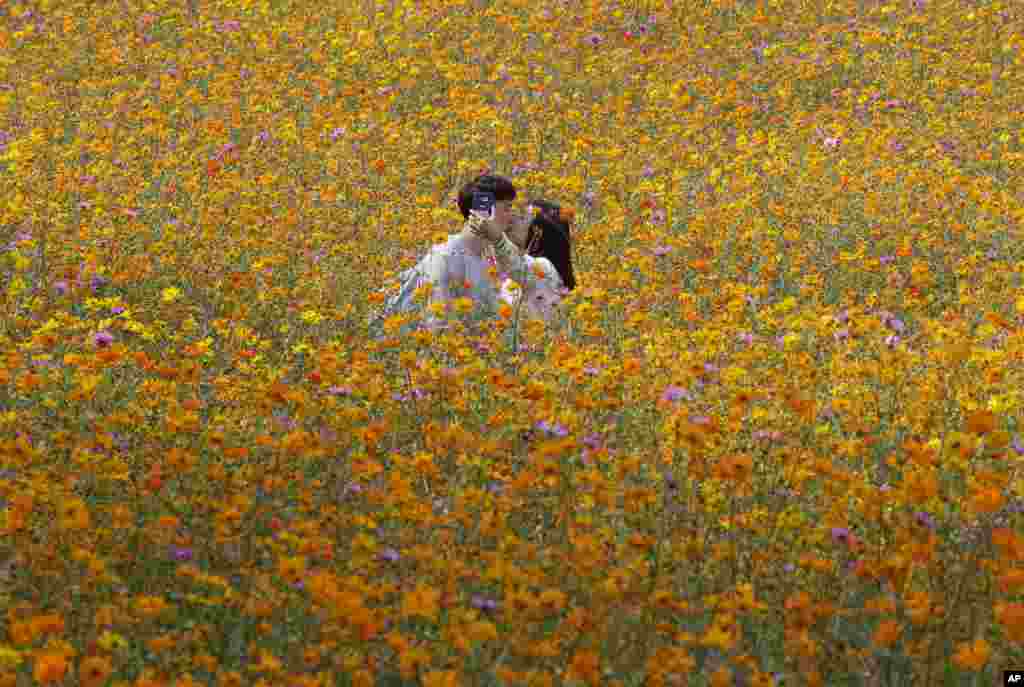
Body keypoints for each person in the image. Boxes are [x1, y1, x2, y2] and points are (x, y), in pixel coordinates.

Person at [367, 173, 520, 338]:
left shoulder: (489, 256)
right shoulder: (445, 255)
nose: (511, 216)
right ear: (484, 210)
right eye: (507, 207)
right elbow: (436, 325)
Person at [472, 198, 576, 328]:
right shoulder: (514, 271)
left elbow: (515, 265)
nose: (512, 219)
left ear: (540, 230)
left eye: (522, 218)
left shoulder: (545, 268)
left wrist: (496, 238)